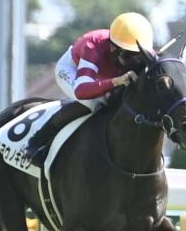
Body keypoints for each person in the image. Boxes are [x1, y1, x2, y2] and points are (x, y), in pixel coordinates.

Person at [27, 11, 157, 165]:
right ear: (112, 48)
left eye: (139, 56)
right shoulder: (93, 48)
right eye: (128, 56)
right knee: (93, 103)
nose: (134, 62)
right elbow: (81, 91)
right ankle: (37, 140)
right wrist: (116, 81)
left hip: (104, 76)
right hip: (73, 71)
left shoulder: (137, 53)